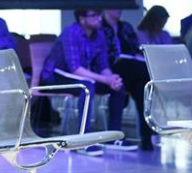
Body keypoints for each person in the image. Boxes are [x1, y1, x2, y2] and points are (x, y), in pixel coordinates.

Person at [40, 10, 134, 156]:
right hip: (55, 76)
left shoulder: (99, 34)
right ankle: (82, 141)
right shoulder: (71, 33)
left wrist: (112, 78)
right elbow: (75, 68)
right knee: (86, 88)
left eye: (99, 15)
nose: (99, 19)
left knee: (118, 87)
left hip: (82, 76)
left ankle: (113, 137)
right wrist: (105, 79)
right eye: (94, 16)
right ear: (82, 19)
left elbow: (103, 66)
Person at [101, 9, 153, 151]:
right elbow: (102, 56)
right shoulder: (99, 27)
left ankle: (146, 137)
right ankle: (147, 135)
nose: (120, 10)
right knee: (140, 75)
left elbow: (135, 48)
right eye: (116, 6)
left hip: (129, 70)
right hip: (109, 69)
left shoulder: (126, 27)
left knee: (141, 87)